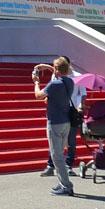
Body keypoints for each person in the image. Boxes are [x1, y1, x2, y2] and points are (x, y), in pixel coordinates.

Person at [33, 57, 75, 196]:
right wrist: (49, 67)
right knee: (60, 154)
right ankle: (62, 182)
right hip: (66, 122)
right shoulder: (69, 82)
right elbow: (60, 73)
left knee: (56, 156)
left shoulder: (54, 84)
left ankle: (66, 185)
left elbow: (38, 96)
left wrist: (36, 82)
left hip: (55, 122)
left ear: (57, 69)